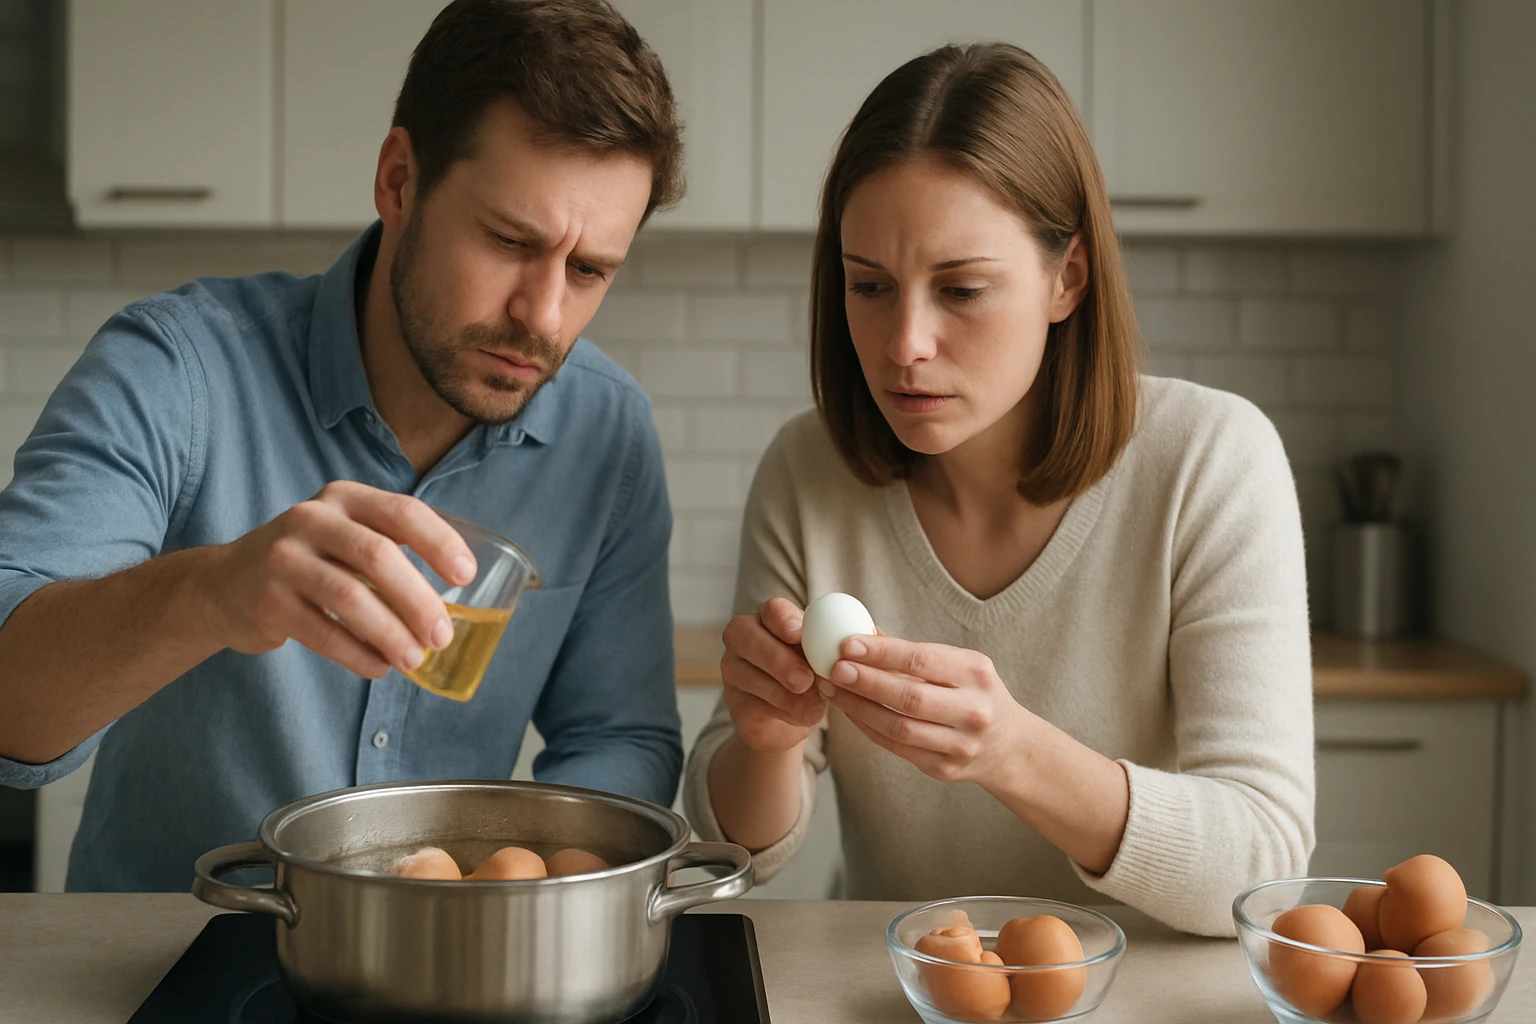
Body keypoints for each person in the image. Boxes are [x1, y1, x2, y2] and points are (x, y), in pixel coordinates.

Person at [0, 0, 686, 891]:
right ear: (399, 180)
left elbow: (619, 737)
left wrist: (522, 896)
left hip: (454, 971)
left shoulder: (608, 434)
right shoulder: (178, 368)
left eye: (590, 270)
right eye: (510, 241)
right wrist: (211, 592)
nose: (544, 317)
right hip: (172, 960)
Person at [682, 42, 1314, 937]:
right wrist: (764, 740)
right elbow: (734, 848)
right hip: (907, 989)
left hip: (1143, 996)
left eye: (962, 290)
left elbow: (1264, 866)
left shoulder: (1212, 462)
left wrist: (1014, 752)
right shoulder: (808, 471)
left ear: (1068, 278)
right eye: (869, 286)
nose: (904, 344)